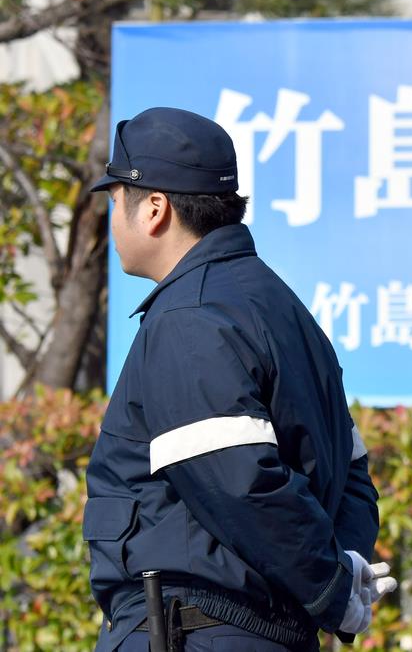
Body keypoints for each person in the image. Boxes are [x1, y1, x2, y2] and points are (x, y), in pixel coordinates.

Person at [84, 107, 395, 651]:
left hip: (196, 632)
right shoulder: (284, 310)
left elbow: (238, 483)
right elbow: (351, 471)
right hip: (265, 633)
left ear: (153, 208)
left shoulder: (189, 316)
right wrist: (337, 574)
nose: (111, 220)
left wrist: (329, 586)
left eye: (115, 202)